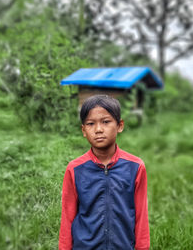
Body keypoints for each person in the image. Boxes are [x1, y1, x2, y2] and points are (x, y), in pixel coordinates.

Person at [59, 95, 150, 250]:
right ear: (83, 130)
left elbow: (141, 215)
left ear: (120, 125)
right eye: (90, 124)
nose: (98, 129)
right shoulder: (75, 169)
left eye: (106, 122)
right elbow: (67, 217)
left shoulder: (135, 167)